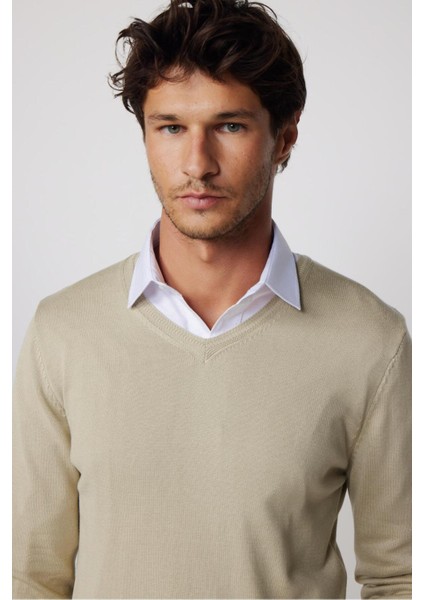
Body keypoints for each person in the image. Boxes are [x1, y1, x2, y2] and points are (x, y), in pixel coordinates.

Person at [12, 0, 411, 598]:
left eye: (230, 126)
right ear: (145, 137)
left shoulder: (369, 339)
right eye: (171, 128)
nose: (197, 165)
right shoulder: (63, 331)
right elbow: (30, 575)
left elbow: (401, 577)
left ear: (284, 137)